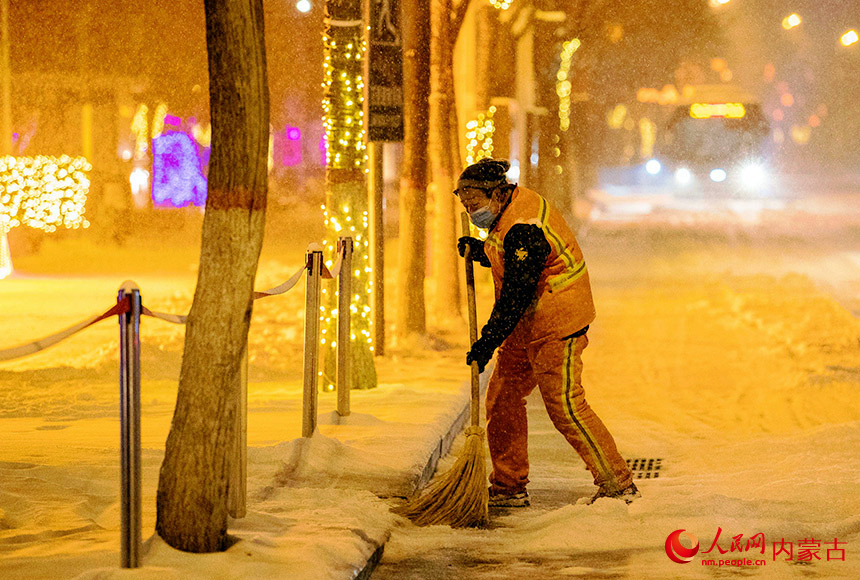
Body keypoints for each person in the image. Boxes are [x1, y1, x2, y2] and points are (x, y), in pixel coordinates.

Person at [455, 157, 639, 508]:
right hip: (527, 324)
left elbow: (517, 290)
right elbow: (512, 257)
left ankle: (617, 483)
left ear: (496, 194)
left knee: (566, 405)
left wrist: (488, 340)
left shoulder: (525, 226)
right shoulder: (508, 213)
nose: (471, 210)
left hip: (557, 322)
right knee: (503, 398)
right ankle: (509, 485)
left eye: (474, 204)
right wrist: (482, 251)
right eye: (465, 204)